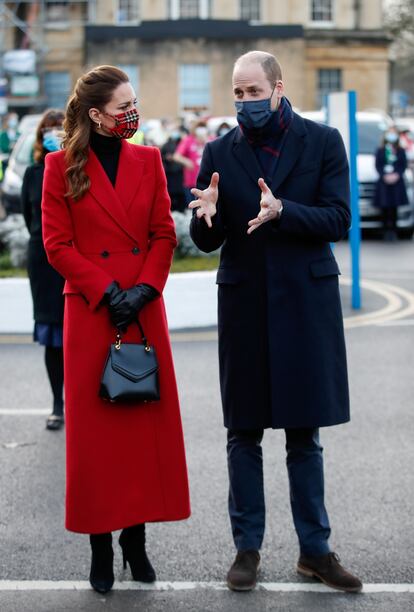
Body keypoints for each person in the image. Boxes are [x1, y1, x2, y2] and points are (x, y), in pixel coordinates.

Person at [190, 51, 362, 594]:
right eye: (237, 94)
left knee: (303, 436)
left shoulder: (323, 142)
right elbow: (206, 240)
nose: (244, 102)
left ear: (278, 88)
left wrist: (285, 210)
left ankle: (316, 550)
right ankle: (247, 549)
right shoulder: (219, 151)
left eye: (252, 92)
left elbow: (338, 217)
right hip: (244, 307)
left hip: (304, 306)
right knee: (243, 435)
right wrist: (208, 216)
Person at [41, 65, 190, 594]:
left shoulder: (148, 160)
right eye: (123, 105)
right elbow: (56, 245)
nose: (132, 113)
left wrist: (145, 290)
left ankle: (136, 539)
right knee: (97, 440)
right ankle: (100, 546)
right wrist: (108, 292)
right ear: (96, 114)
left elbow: (162, 233)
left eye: (135, 102)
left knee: (138, 433)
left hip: (142, 308)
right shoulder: (59, 166)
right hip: (92, 309)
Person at [21, 109, 66, 430]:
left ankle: (82, 401)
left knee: (80, 335)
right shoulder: (33, 174)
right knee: (52, 336)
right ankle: (57, 404)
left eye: (61, 128)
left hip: (76, 260)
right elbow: (30, 219)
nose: (55, 133)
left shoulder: (78, 169)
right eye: (49, 129)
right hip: (43, 262)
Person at [374, 127, 408, 241]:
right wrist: (384, 175)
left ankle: (394, 231)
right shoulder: (381, 150)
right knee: (384, 207)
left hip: (396, 183)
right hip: (384, 182)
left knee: (394, 208)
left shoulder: (400, 150)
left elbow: (403, 165)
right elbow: (378, 165)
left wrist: (396, 175)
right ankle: (385, 231)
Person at [173, 119, 209, 204]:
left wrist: (206, 141)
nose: (201, 130)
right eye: (199, 127)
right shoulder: (188, 140)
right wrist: (186, 161)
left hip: (207, 182)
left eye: (203, 127)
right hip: (191, 181)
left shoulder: (211, 140)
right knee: (193, 207)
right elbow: (176, 156)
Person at [160, 125, 186, 212]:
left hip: (180, 172)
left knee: (180, 192)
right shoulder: (166, 144)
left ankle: (181, 208)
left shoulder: (182, 143)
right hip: (170, 172)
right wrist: (166, 158)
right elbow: (161, 156)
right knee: (171, 191)